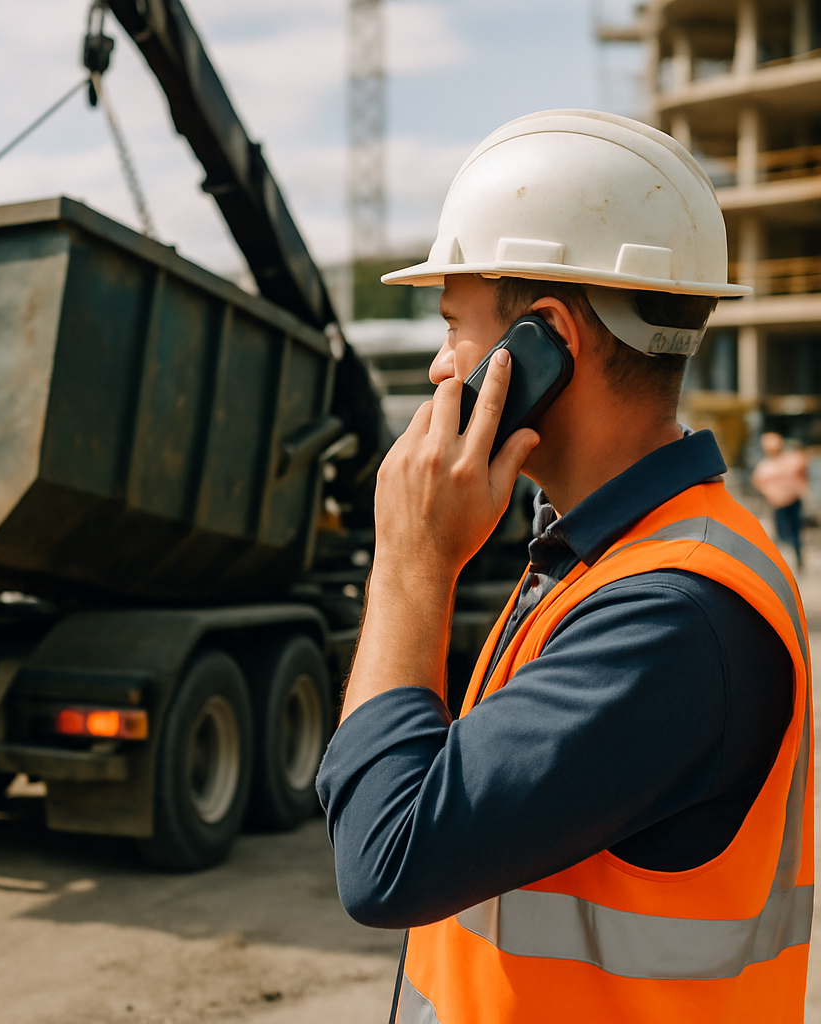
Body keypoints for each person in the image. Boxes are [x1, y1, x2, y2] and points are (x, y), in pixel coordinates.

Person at [316, 110, 812, 1023]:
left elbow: (384, 860)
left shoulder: (674, 617)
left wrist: (408, 563)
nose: (438, 368)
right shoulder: (606, 552)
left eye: (452, 326)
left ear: (541, 344)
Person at [752, 431, 809, 570]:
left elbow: (802, 471)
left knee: (795, 533)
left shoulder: (791, 459)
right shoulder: (765, 466)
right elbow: (758, 482)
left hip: (794, 500)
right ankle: (779, 563)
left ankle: (796, 560)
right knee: (781, 534)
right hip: (778, 504)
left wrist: (802, 487)